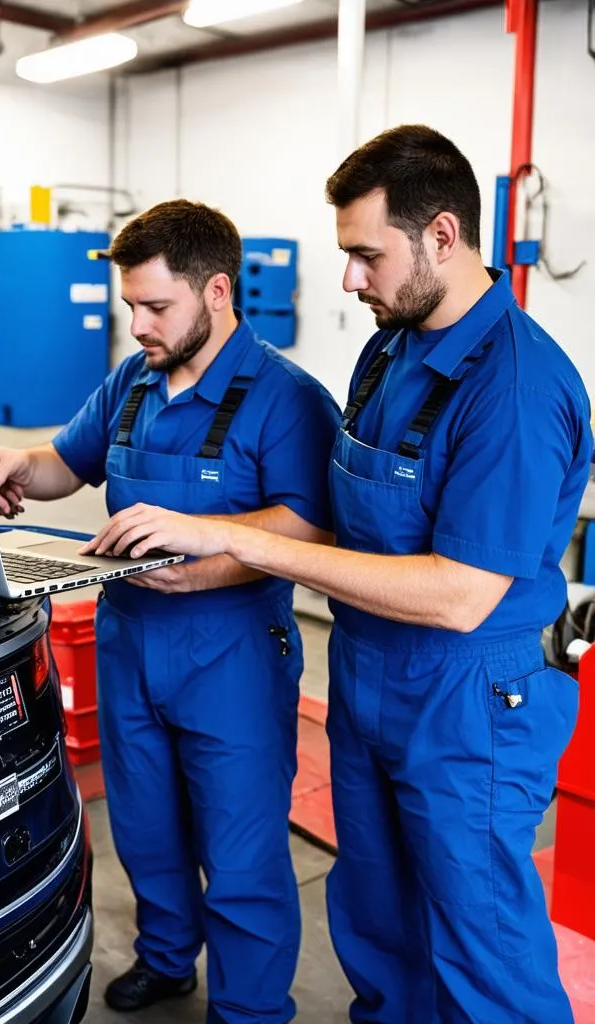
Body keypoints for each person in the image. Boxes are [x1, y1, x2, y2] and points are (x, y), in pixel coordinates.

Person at [85, 126, 593, 1024]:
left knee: (482, 945)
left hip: (468, 700)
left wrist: (237, 543)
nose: (351, 279)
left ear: (442, 236)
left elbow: (460, 593)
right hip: (367, 674)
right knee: (376, 925)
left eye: (367, 255)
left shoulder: (512, 386)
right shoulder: (388, 353)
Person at [0, 199, 340, 1023]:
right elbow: (67, 463)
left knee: (242, 856)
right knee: (145, 831)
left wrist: (206, 557)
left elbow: (313, 524)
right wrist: (15, 465)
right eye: (129, 305)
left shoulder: (288, 399)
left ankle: (249, 1010)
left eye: (155, 307)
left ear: (216, 292)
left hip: (233, 657)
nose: (137, 323)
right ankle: (168, 959)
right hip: (131, 645)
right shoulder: (132, 381)